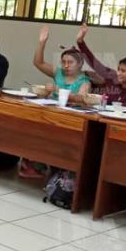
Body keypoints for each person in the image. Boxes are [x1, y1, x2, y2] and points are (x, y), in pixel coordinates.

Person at [23, 26, 91, 178]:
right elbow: (38, 62)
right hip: (50, 113)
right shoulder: (58, 73)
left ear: (79, 64)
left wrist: (58, 90)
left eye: (70, 62)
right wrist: (42, 42)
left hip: (69, 119)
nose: (66, 66)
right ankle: (34, 164)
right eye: (64, 62)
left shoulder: (84, 80)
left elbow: (82, 98)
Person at [77, 23, 126, 111]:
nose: (118, 73)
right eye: (118, 69)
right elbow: (94, 63)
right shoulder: (112, 77)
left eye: (123, 71)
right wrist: (80, 41)